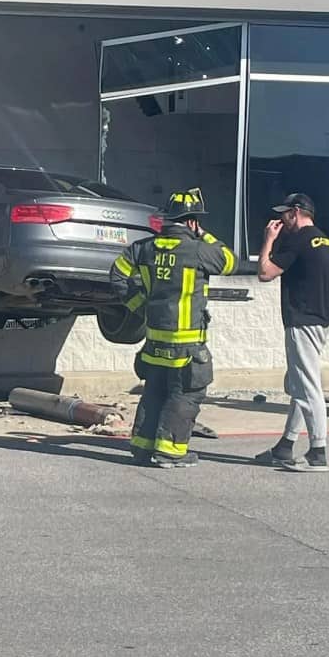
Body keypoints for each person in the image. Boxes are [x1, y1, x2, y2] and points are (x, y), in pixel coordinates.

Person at [110, 188, 237, 468]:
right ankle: (170, 451)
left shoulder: (143, 248)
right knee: (187, 393)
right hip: (187, 344)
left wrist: (140, 307)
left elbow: (117, 274)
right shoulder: (199, 250)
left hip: (154, 340)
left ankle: (142, 448)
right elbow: (230, 261)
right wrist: (205, 235)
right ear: (191, 221)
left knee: (155, 391)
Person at [256, 193, 329, 472]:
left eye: (285, 213)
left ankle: (318, 452)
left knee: (308, 387)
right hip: (320, 318)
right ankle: (285, 445)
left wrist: (268, 240)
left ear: (296, 212)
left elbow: (265, 272)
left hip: (302, 319)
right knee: (299, 385)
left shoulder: (298, 240)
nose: (281, 219)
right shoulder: (325, 241)